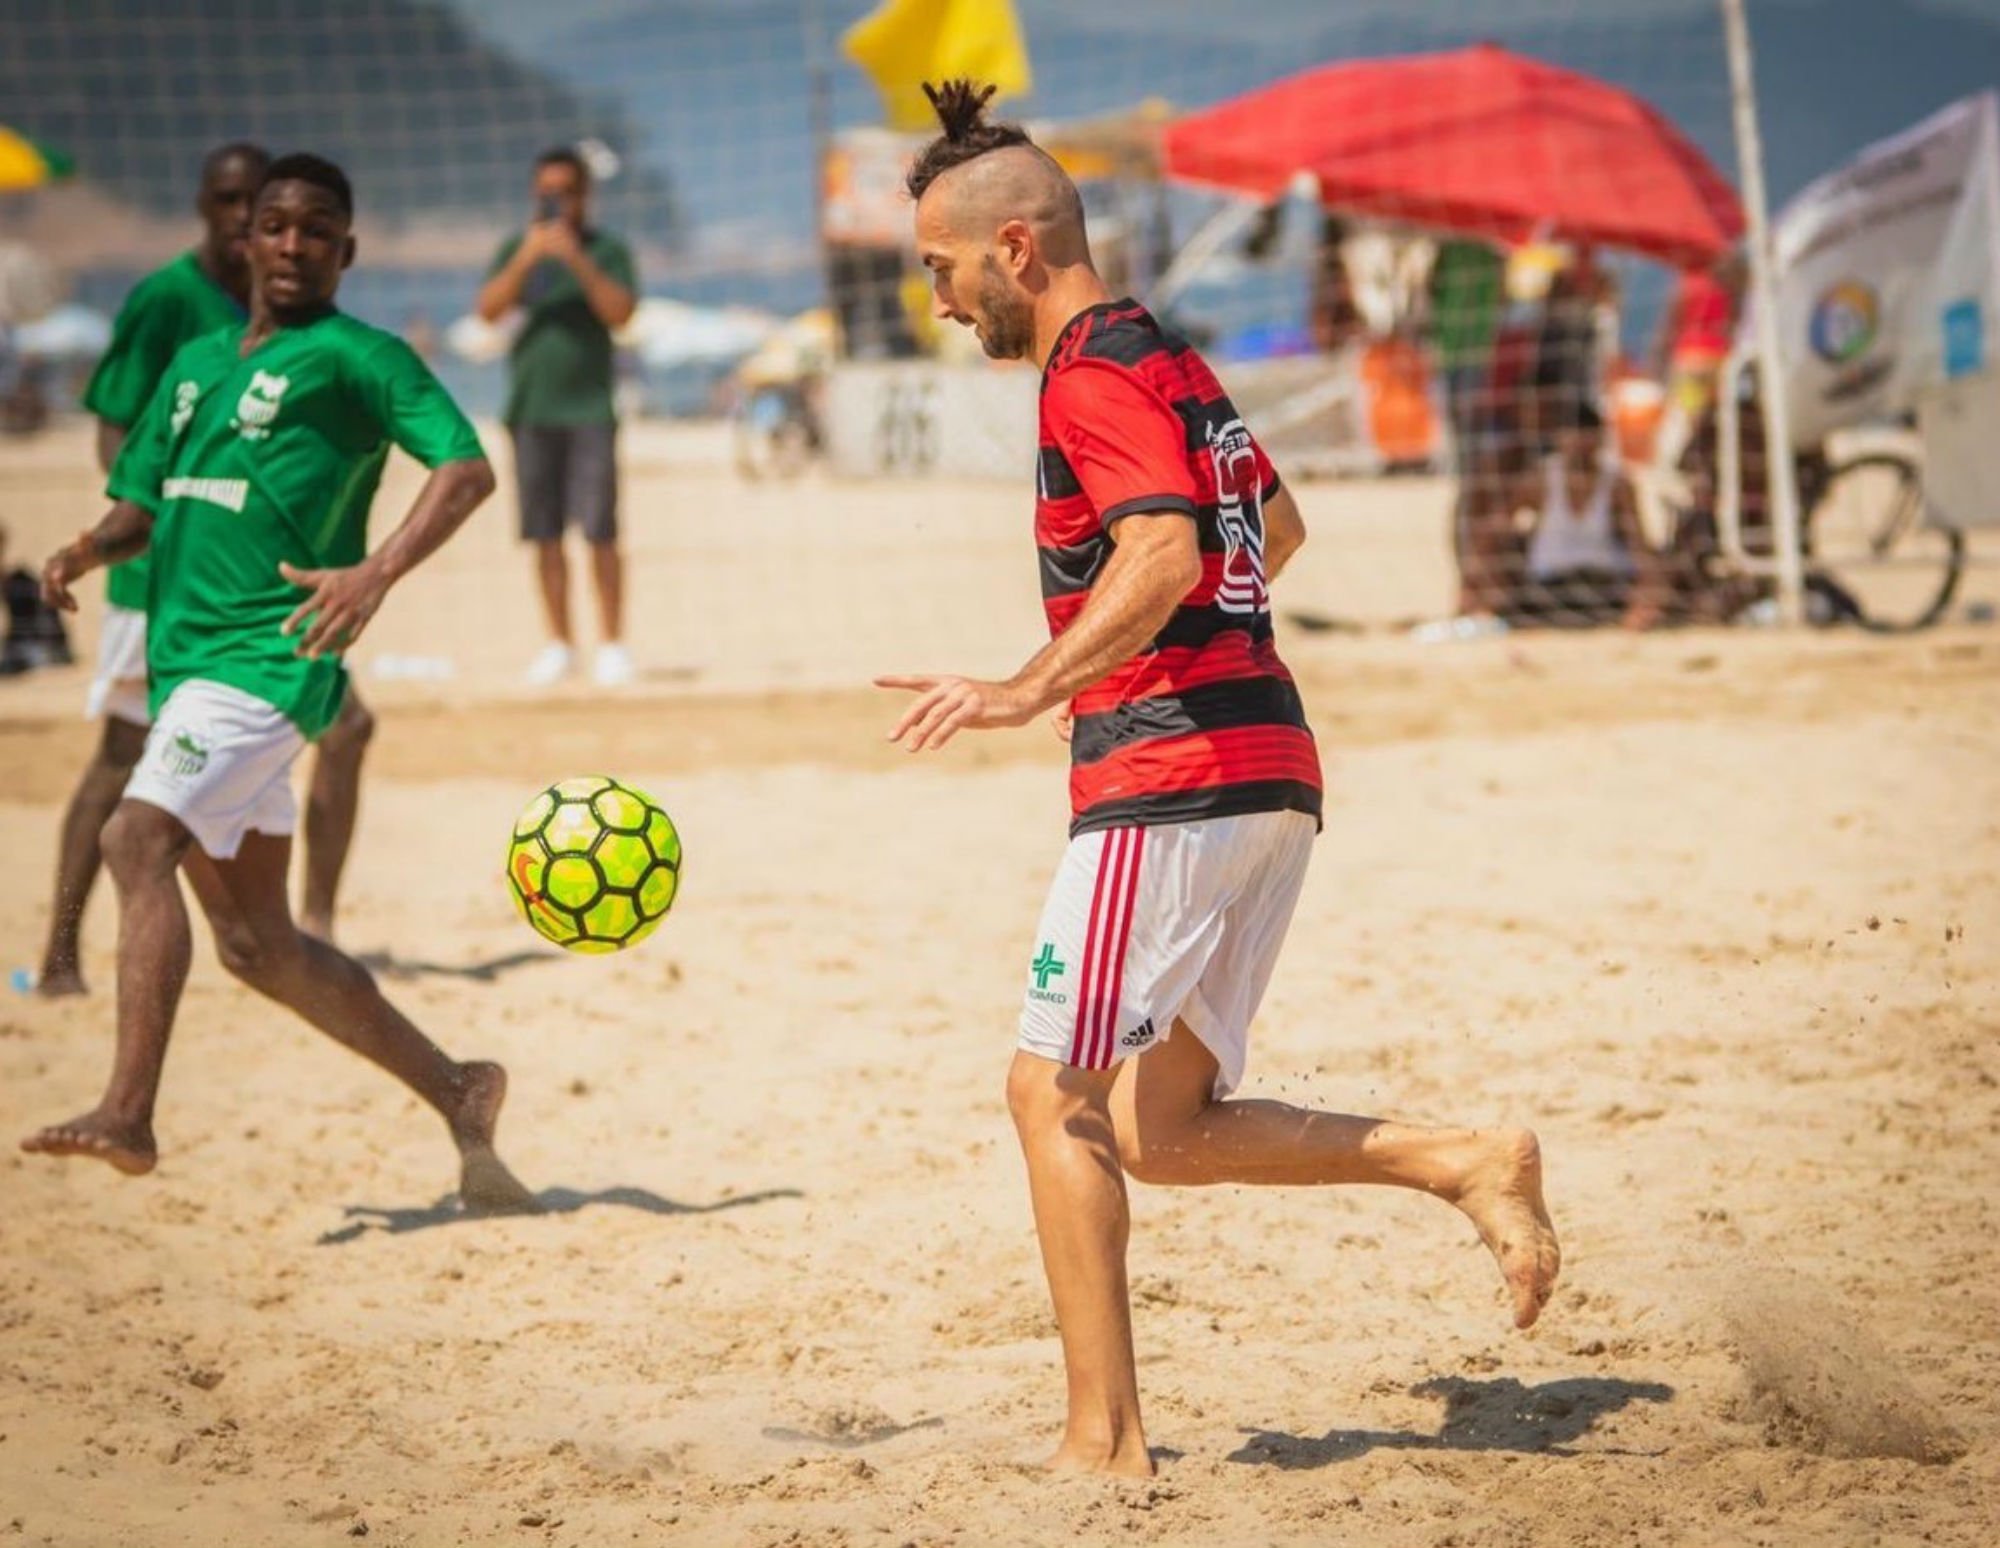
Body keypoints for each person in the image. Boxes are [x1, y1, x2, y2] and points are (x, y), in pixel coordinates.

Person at [877, 81, 1561, 1477]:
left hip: (1172, 780)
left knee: (1048, 1095)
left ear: (1014, 250)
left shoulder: (1091, 371)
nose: (939, 301)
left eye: (941, 267)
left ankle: (1103, 1446)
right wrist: (1180, 651)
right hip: (1267, 769)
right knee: (1161, 1128)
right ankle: (1464, 1160)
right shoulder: (1169, 356)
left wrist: (1033, 686)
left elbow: (1169, 553)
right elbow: (1277, 526)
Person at [21, 154, 531, 1211]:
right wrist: (84, 548)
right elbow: (146, 504)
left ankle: (128, 1112)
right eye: (276, 227)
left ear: (344, 252)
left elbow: (467, 469)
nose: (293, 246)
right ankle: (459, 1088)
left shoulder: (360, 357)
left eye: (317, 231)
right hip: (186, 665)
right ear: (244, 243)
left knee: (133, 836)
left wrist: (376, 571)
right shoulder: (195, 358)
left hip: (271, 658)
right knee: (258, 947)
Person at [35, 142, 376, 998]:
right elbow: (118, 430)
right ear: (201, 206)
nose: (242, 222)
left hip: (256, 597)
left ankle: (312, 924)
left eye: (254, 208)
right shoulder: (166, 302)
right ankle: (62, 953)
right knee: (118, 760)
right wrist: (150, 518)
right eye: (229, 202)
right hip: (158, 583)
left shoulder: (282, 314)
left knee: (349, 727)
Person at [475, 147, 639, 688]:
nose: (556, 200)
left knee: (600, 532)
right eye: (547, 190)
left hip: (590, 408)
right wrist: (528, 259)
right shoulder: (514, 250)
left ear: (585, 195)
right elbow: (488, 311)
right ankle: (559, 644)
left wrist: (575, 260)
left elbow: (620, 312)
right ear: (533, 193)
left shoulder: (607, 249)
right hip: (530, 410)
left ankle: (613, 644)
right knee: (543, 535)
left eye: (567, 190)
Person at [1506, 407, 1668, 628]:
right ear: (1559, 438)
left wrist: (1647, 596)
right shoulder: (1540, 479)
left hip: (1605, 586)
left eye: (1587, 435)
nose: (1580, 444)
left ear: (1601, 438)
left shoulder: (1618, 483)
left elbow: (1638, 542)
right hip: (1548, 588)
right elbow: (1497, 529)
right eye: (1573, 435)